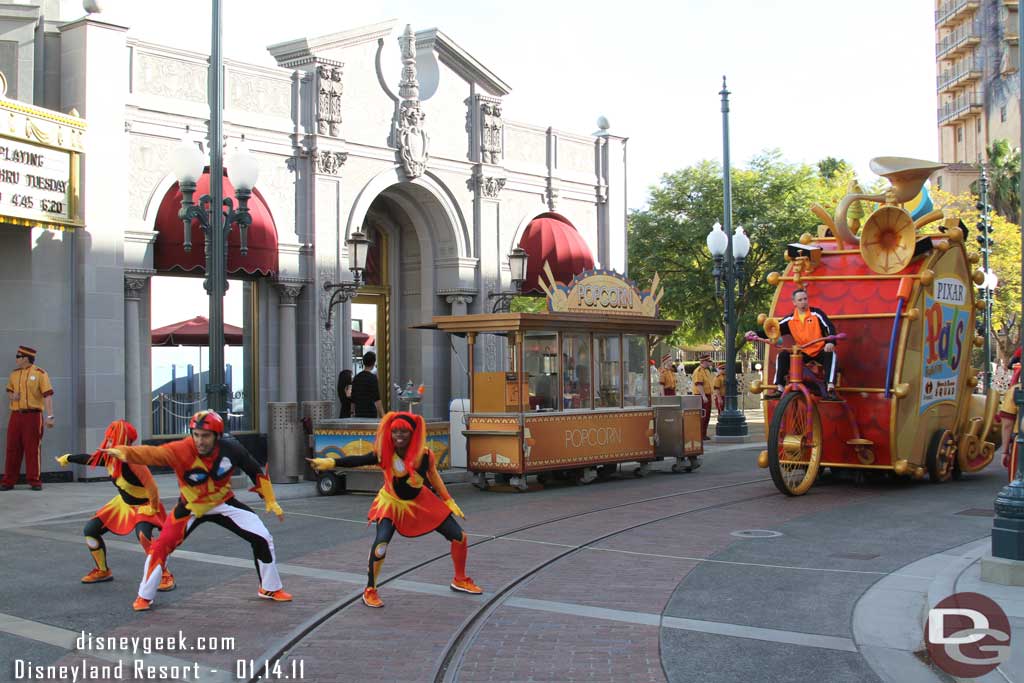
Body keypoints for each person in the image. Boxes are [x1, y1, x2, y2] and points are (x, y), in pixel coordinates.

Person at [102, 410, 291, 611]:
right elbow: (153, 454)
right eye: (196, 435)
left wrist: (269, 499)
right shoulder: (180, 449)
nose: (200, 441)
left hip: (223, 503)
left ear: (217, 436)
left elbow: (255, 471)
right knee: (160, 547)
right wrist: (127, 453)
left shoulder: (232, 449)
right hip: (190, 507)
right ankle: (144, 596)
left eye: (206, 436)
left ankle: (269, 588)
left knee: (263, 537)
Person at [307, 411, 482, 608]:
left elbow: (433, 475)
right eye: (395, 431)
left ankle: (460, 579)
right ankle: (370, 589)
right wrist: (331, 462)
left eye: (404, 432)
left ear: (413, 434)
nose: (398, 435)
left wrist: (448, 500)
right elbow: (359, 459)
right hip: (391, 503)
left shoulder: (425, 455)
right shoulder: (385, 454)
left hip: (421, 502)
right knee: (381, 544)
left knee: (460, 537)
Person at [55, 420, 175, 590]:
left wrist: (153, 507)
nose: (109, 443)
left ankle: (164, 574)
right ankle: (102, 570)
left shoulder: (133, 461)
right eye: (109, 439)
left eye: (113, 439)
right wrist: (68, 458)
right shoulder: (110, 458)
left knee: (144, 537)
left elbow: (152, 486)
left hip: (144, 506)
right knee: (90, 530)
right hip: (123, 504)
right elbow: (90, 459)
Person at [771, 288, 839, 400]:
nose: (803, 302)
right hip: (803, 351)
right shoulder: (790, 319)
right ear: (794, 302)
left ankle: (830, 388)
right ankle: (780, 388)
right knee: (783, 355)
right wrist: (755, 333)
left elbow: (829, 327)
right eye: (800, 300)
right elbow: (773, 329)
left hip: (819, 350)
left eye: (805, 299)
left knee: (831, 355)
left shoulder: (816, 313)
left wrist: (830, 342)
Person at [3, 345, 54, 491]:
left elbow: (48, 395)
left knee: (32, 449)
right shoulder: (14, 374)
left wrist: (50, 416)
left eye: (18, 357)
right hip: (16, 415)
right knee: (12, 448)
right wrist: (13, 396)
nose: (16, 359)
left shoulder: (40, 373)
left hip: (33, 416)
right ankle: (8, 481)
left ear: (26, 358)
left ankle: (34, 480)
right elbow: (9, 392)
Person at [352, 351, 383, 418]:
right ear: (373, 363)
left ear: (363, 362)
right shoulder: (373, 378)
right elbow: (377, 399)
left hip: (359, 412)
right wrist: (383, 415)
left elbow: (353, 398)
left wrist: (352, 412)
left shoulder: (356, 377)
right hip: (370, 412)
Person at [691, 355, 714, 440]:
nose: (709, 363)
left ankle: (704, 434)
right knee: (702, 415)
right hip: (700, 395)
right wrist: (703, 395)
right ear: (703, 362)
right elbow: (698, 384)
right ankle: (700, 434)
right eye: (708, 361)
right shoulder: (698, 371)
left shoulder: (707, 371)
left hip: (707, 395)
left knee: (707, 415)